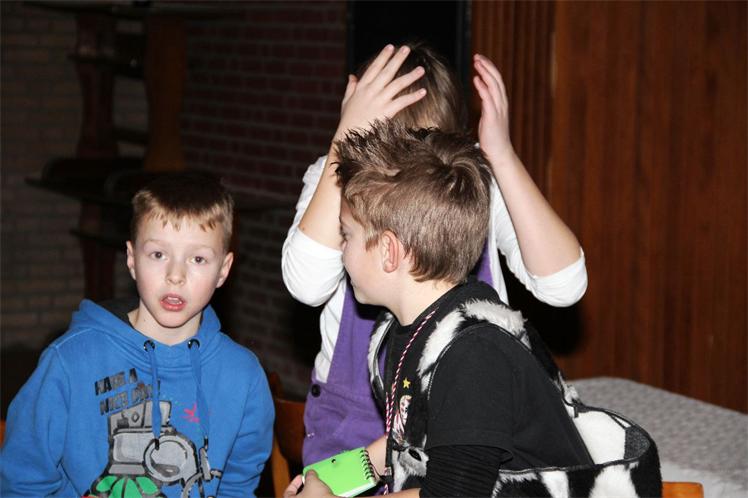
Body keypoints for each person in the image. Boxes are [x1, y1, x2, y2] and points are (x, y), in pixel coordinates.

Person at [285, 121, 660, 498]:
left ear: (388, 251)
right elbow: (407, 441)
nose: (341, 249)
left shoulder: (473, 356)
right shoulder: (414, 326)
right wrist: (331, 482)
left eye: (346, 234)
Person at [281, 43, 587, 465]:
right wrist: (340, 153)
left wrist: (501, 156)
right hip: (356, 429)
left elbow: (563, 286)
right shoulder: (334, 176)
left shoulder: (468, 184)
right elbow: (306, 284)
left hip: (467, 421)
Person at [1, 173, 274, 498]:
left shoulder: (243, 377)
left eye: (198, 259)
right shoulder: (70, 361)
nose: (175, 276)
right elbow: (22, 482)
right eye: (158, 254)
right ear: (131, 259)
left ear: (223, 270)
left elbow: (236, 487)